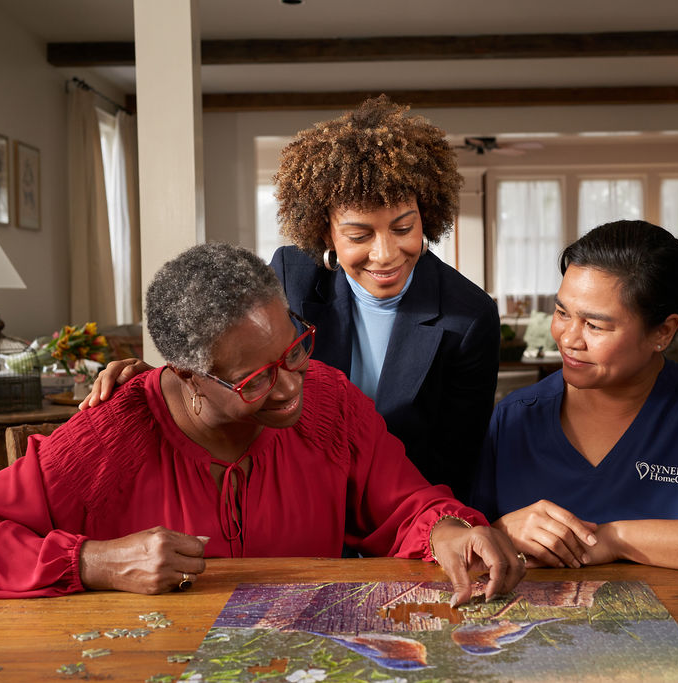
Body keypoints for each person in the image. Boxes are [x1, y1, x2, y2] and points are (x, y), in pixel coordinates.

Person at [0, 243, 524, 602]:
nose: (291, 388)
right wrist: (92, 562)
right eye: (255, 379)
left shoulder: (329, 399)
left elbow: (409, 505)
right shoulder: (107, 437)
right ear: (185, 373)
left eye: (296, 349)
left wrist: (444, 527)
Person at [83, 96, 500, 500]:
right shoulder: (290, 273)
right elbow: (240, 364)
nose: (386, 254)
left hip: (401, 504)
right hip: (297, 489)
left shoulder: (470, 317)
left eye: (404, 228)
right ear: (325, 233)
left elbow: (455, 465)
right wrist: (165, 381)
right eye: (359, 235)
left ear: (426, 216)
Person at [471, 220, 678, 578]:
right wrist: (502, 530)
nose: (569, 338)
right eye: (562, 313)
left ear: (663, 332)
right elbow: (461, 536)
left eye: (595, 325)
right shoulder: (512, 417)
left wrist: (614, 539)